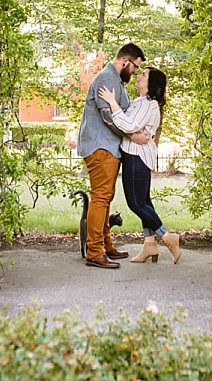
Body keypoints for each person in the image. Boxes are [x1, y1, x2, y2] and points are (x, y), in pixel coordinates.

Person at [98, 65, 181, 264]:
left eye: (143, 75)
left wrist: (111, 102)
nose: (139, 76)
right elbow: (130, 127)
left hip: (137, 157)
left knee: (136, 203)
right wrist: (133, 135)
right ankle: (149, 245)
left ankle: (167, 237)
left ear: (151, 84)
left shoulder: (148, 104)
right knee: (145, 201)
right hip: (136, 154)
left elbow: (127, 124)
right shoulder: (140, 101)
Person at [76, 42, 146, 269]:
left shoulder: (117, 82)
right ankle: (95, 252)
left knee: (105, 198)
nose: (135, 72)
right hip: (100, 147)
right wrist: (133, 136)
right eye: (135, 67)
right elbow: (109, 118)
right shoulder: (107, 79)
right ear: (125, 61)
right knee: (100, 197)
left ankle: (105, 246)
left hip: (109, 148)